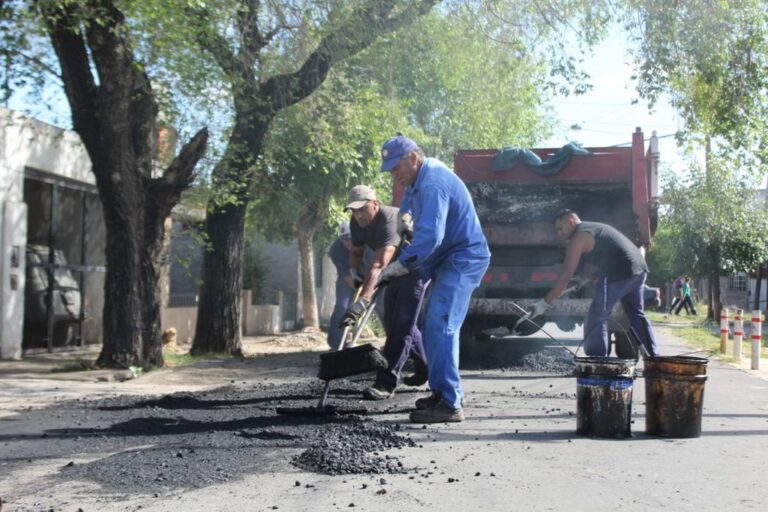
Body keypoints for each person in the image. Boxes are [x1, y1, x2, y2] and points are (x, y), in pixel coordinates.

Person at [377, 135, 490, 423]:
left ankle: (451, 404)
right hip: (444, 257)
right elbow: (409, 207)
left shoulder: (434, 182)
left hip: (462, 257)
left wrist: (400, 265)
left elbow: (430, 237)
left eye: (396, 168)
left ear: (413, 158)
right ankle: (440, 392)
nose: (395, 175)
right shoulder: (419, 178)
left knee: (441, 324)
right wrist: (404, 218)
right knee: (431, 326)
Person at [531, 210, 658, 357]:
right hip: (639, 269)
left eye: (560, 228)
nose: (559, 234)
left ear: (570, 222)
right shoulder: (593, 229)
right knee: (636, 314)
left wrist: (544, 304)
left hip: (620, 272)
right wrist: (585, 278)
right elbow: (606, 256)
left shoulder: (579, 237)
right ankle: (655, 358)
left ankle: (597, 361)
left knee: (597, 315)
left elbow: (564, 277)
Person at [341, 184, 429, 400]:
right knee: (396, 324)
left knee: (402, 325)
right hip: (394, 270)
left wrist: (362, 301)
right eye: (354, 210)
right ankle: (426, 368)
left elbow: (379, 264)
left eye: (363, 209)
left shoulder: (389, 221)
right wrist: (355, 272)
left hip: (416, 267)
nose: (359, 215)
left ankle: (386, 383)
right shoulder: (357, 222)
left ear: (375, 204)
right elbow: (357, 250)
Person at [327, 222, 355, 349]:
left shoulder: (367, 243)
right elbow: (346, 275)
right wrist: (357, 288)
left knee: (382, 307)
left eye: (350, 239)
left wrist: (367, 291)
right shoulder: (335, 250)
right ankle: (336, 343)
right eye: (345, 239)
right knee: (342, 307)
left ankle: (393, 342)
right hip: (347, 279)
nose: (348, 243)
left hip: (369, 276)